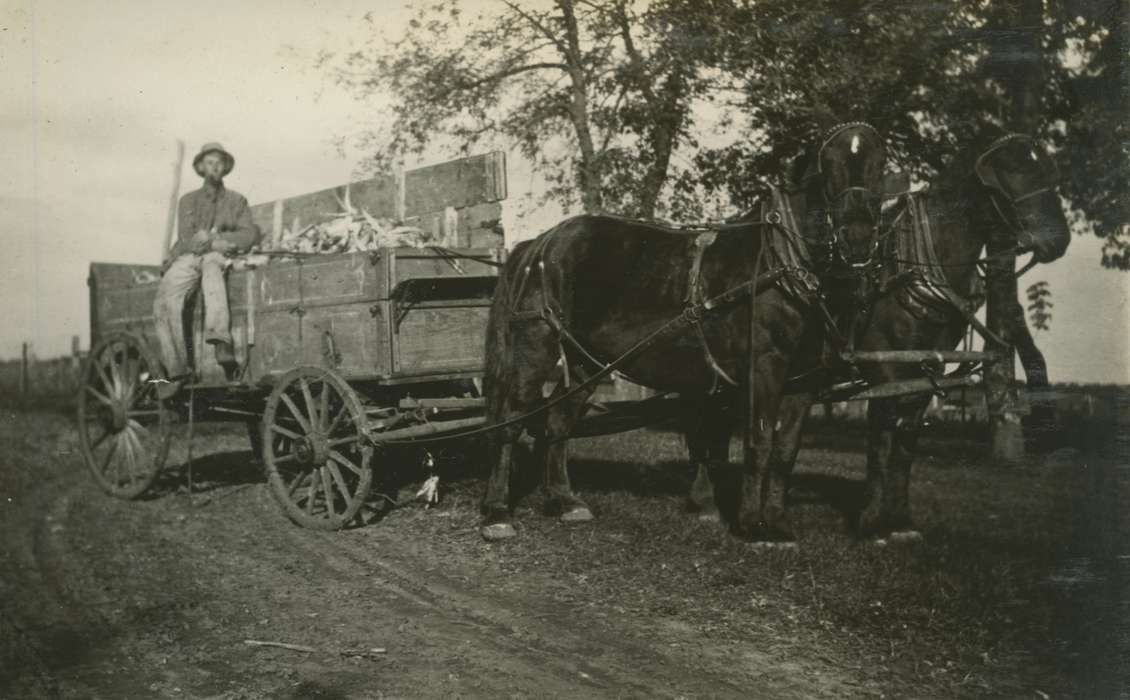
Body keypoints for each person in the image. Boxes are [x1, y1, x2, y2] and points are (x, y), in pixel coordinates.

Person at [153, 142, 260, 399]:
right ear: (201, 168)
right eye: (209, 162)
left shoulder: (237, 201)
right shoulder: (188, 201)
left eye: (219, 163)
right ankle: (177, 370)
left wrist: (220, 242)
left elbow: (249, 233)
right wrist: (207, 242)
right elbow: (188, 237)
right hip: (191, 257)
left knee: (213, 270)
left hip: (218, 255)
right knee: (164, 298)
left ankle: (221, 343)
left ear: (225, 168)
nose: (215, 167)